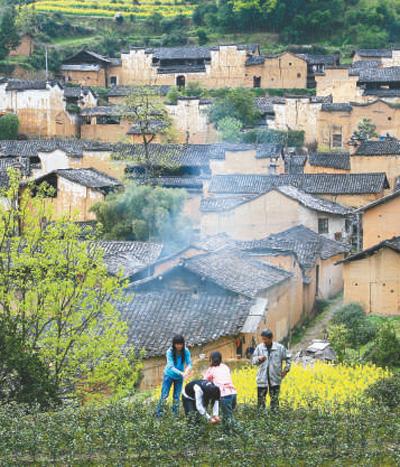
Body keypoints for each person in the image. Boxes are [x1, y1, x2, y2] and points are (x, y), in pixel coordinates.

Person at [252, 329, 291, 410]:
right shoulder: (259, 348)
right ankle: (261, 417)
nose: (263, 341)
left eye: (265, 339)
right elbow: (253, 361)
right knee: (261, 401)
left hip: (275, 379)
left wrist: (285, 370)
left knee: (274, 401)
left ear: (270, 338)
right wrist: (259, 359)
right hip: (262, 379)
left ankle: (275, 417)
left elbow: (288, 359)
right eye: (262, 339)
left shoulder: (279, 348)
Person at [156, 335, 192, 417]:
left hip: (179, 378)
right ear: (174, 344)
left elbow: (189, 363)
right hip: (169, 375)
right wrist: (182, 373)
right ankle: (159, 415)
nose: (179, 346)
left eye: (180, 344)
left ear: (183, 344)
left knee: (176, 397)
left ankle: (174, 416)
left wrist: (186, 371)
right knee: (164, 395)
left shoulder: (186, 351)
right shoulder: (169, 352)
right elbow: (170, 366)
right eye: (177, 344)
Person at [204, 351, 237, 429]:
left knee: (228, 417)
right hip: (233, 393)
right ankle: (226, 433)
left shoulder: (211, 369)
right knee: (228, 415)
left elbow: (204, 381)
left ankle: (237, 434)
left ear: (211, 360)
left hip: (224, 395)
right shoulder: (225, 366)